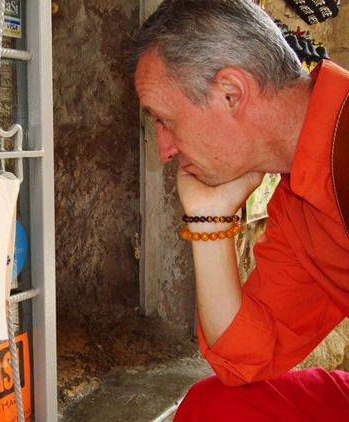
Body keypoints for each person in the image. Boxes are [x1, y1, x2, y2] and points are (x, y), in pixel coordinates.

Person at [132, 0, 349, 420]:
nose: (164, 150)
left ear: (231, 93)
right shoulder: (299, 198)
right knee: (216, 407)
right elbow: (242, 360)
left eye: (165, 121)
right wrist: (208, 217)